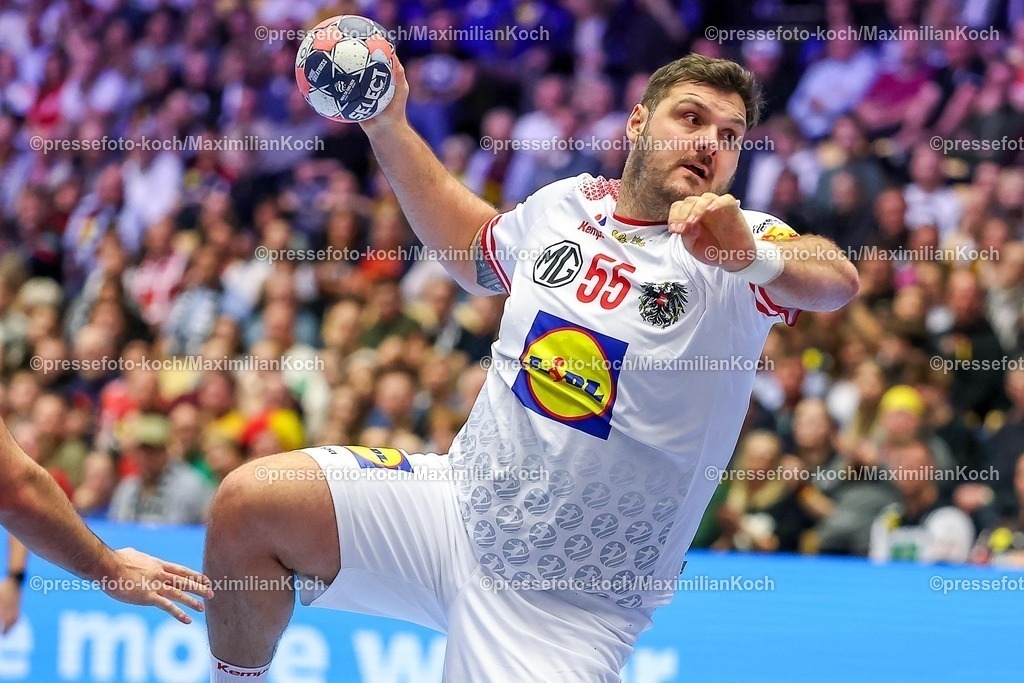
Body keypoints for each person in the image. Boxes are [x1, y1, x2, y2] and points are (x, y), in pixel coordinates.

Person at [204, 52, 858, 682]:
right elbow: (472, 251)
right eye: (690, 118)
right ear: (637, 122)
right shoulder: (567, 205)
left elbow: (835, 277)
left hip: (565, 608)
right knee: (248, 507)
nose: (710, 141)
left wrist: (755, 258)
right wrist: (388, 124)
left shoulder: (734, 244)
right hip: (452, 513)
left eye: (730, 134)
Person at [0, 416, 212, 625]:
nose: (147, 456)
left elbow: (20, 492)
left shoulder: (190, 486)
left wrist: (113, 568)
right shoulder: (128, 488)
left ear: (167, 449)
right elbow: (19, 495)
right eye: (143, 449)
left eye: (154, 449)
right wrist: (113, 568)